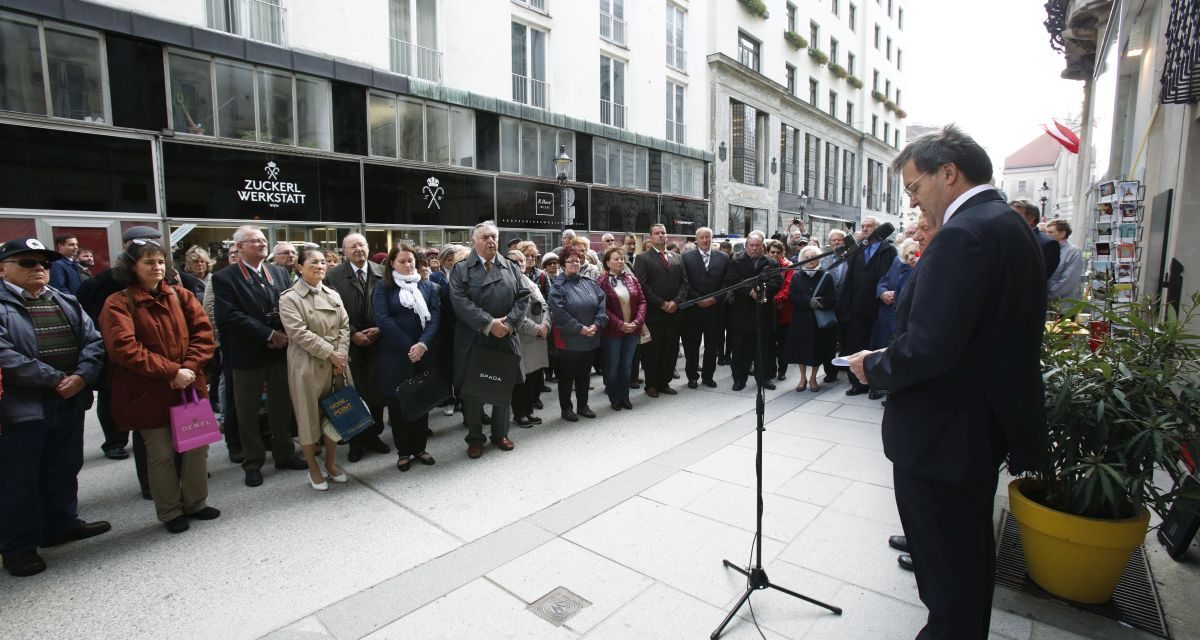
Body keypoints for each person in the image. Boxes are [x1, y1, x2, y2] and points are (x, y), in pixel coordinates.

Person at [848, 125, 1047, 639]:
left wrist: (874, 365)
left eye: (914, 188)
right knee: (965, 566)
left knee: (949, 579)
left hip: (944, 437)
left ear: (949, 174)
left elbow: (931, 346)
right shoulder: (1007, 225)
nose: (913, 201)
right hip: (971, 432)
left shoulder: (965, 234)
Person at [0, 238, 109, 577]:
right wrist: (55, 379)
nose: (38, 269)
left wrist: (80, 377)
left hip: (68, 402)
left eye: (43, 264)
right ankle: (19, 547)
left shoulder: (65, 300)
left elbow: (94, 342)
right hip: (22, 408)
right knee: (19, 479)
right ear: (3, 268)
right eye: (27, 263)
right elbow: (5, 356)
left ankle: (60, 525)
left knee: (64, 466)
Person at [99, 238, 219, 532]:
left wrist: (188, 367)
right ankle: (170, 511)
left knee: (197, 447)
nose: (157, 267)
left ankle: (196, 502)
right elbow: (124, 348)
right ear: (132, 267)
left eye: (161, 261)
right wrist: (171, 371)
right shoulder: (118, 302)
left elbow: (203, 335)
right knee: (161, 453)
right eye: (149, 262)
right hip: (148, 391)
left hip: (189, 386)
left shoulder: (181, 296)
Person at [213, 225, 308, 487]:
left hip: (280, 352)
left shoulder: (278, 272)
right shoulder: (225, 278)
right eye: (254, 241)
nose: (262, 244)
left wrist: (285, 331)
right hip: (248, 354)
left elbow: (290, 305)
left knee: (281, 406)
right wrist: (267, 334)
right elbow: (230, 316)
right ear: (239, 247)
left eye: (264, 240)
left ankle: (284, 454)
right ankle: (253, 462)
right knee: (247, 411)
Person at [449, 222, 529, 459]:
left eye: (494, 237)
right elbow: (459, 302)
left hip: (505, 337)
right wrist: (489, 324)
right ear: (473, 241)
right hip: (475, 339)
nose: (491, 241)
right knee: (473, 393)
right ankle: (475, 438)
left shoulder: (510, 267)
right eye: (485, 237)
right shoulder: (461, 269)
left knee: (502, 390)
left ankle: (500, 433)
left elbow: (523, 297)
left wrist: (508, 324)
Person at [276, 247, 351, 490]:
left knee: (337, 414)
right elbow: (298, 333)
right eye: (313, 263)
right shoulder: (289, 298)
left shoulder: (333, 294)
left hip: (337, 365)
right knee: (309, 419)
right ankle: (313, 468)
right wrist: (330, 354)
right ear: (300, 268)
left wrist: (340, 355)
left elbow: (344, 327)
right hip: (308, 365)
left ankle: (330, 463)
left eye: (322, 262)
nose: (320, 266)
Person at [322, 233, 390, 462]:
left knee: (377, 392)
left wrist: (380, 328)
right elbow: (329, 311)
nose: (358, 249)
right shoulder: (333, 276)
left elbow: (391, 303)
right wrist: (352, 334)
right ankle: (356, 442)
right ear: (344, 251)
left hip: (379, 341)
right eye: (353, 246)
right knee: (354, 392)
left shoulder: (382, 271)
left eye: (362, 245)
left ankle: (375, 436)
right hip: (348, 344)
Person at [373, 245, 440, 471]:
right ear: (392, 263)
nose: (408, 265)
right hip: (395, 355)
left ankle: (420, 447)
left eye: (410, 260)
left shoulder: (427, 286)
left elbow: (434, 318)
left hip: (422, 353)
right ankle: (403, 452)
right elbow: (383, 319)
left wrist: (422, 344)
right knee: (398, 405)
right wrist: (409, 346)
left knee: (421, 402)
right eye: (402, 261)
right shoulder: (383, 287)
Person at [838, 216, 896, 398]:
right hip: (856, 307)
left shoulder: (889, 251)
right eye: (863, 226)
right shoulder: (858, 249)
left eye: (869, 226)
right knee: (855, 345)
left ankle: (877, 386)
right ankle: (857, 384)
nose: (865, 229)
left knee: (877, 347)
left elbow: (891, 277)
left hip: (878, 307)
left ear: (878, 230)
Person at [549, 247, 608, 421]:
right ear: (562, 264)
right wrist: (580, 328)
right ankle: (566, 408)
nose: (575, 263)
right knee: (567, 377)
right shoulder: (558, 286)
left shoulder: (589, 282)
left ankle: (583, 405)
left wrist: (596, 325)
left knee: (584, 374)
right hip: (569, 341)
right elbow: (559, 314)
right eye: (570, 260)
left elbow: (601, 303)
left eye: (577, 260)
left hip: (590, 337)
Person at [632, 224, 688, 398]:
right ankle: (651, 384)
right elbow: (642, 285)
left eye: (663, 233)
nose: (661, 235)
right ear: (650, 237)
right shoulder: (642, 258)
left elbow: (685, 283)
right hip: (655, 314)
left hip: (674, 313)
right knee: (652, 351)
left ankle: (664, 382)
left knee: (670, 350)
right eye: (657, 233)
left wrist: (677, 302)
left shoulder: (677, 257)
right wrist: (662, 304)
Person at [724, 231, 781, 391]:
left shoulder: (771, 262)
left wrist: (763, 291)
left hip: (763, 313)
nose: (754, 248)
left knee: (763, 350)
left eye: (757, 245)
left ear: (762, 246)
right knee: (740, 350)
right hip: (742, 313)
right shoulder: (736, 261)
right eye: (751, 245)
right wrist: (750, 291)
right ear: (746, 246)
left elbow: (777, 281)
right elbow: (733, 281)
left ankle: (763, 379)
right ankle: (739, 380)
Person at [779, 245, 838, 392]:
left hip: (818, 321)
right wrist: (807, 301)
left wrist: (820, 303)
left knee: (817, 351)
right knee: (801, 351)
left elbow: (833, 298)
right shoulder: (797, 275)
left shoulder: (826, 275)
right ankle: (802, 378)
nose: (811, 259)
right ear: (802, 259)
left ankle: (813, 378)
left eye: (814, 256)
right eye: (807, 257)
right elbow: (792, 297)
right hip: (801, 321)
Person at [680, 227, 729, 389]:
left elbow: (727, 282)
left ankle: (708, 376)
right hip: (694, 310)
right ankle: (692, 376)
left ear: (712, 238)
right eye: (701, 237)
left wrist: (715, 299)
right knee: (692, 346)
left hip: (715, 310)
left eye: (708, 237)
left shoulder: (723, 258)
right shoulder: (686, 258)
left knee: (712, 346)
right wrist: (698, 299)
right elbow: (684, 282)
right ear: (697, 239)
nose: (705, 240)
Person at [598, 246, 645, 411]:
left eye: (621, 258)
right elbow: (602, 308)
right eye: (616, 259)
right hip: (613, 331)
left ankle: (625, 397)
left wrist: (636, 322)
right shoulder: (601, 281)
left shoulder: (632, 279)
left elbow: (642, 302)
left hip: (632, 330)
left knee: (626, 367)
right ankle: (614, 398)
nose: (620, 261)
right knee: (612, 367)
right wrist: (620, 324)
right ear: (607, 262)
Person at [508, 249, 550, 427]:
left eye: (522, 261)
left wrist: (546, 324)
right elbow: (514, 315)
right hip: (523, 338)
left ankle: (529, 410)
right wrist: (536, 329)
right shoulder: (508, 284)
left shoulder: (530, 281)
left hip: (539, 337)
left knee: (534, 378)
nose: (521, 264)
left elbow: (545, 305)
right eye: (516, 262)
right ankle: (520, 413)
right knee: (521, 381)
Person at [431, 244, 470, 418]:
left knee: (462, 369)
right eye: (447, 259)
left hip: (462, 330)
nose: (450, 262)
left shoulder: (464, 277)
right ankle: (448, 400)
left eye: (452, 259)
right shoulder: (436, 278)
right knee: (447, 368)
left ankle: (461, 400)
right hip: (445, 330)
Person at [870, 239, 919, 351]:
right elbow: (884, 280)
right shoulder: (898, 261)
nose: (910, 258)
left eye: (913, 253)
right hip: (887, 318)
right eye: (907, 256)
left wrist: (896, 295)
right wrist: (882, 292)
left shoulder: (924, 270)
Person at [820, 229, 850, 383]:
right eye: (834, 240)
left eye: (840, 240)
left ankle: (845, 365)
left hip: (846, 306)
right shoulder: (824, 260)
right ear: (829, 243)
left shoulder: (851, 258)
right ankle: (830, 371)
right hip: (828, 307)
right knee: (828, 341)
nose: (837, 242)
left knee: (846, 339)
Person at [1009, 199, 1059, 281]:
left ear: (1032, 219)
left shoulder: (1049, 244)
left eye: (1015, 215)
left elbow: (1039, 277)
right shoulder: (1006, 238)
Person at [766, 239, 793, 381]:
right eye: (772, 252)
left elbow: (788, 287)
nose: (775, 255)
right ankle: (771, 370)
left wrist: (775, 299)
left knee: (783, 343)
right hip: (768, 311)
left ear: (783, 253)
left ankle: (782, 370)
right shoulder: (765, 265)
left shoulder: (788, 266)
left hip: (784, 310)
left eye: (778, 252)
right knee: (769, 342)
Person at [1045, 218, 1083, 302]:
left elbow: (1069, 279)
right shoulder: (1047, 248)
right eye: (1045, 232)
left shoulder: (1073, 251)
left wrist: (1050, 295)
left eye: (1050, 232)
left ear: (1062, 234)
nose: (1046, 235)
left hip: (1062, 304)